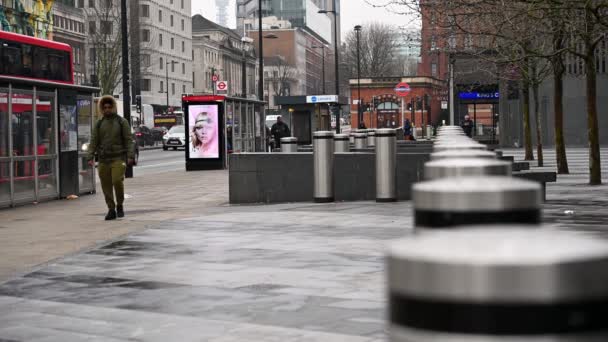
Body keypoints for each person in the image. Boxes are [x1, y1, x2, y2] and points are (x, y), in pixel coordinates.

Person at [87, 96, 135, 221]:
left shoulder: (121, 122)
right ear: (102, 108)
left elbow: (128, 140)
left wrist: (130, 155)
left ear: (113, 107)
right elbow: (94, 140)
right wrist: (90, 155)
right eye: (105, 107)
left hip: (118, 158)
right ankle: (111, 209)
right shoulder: (99, 123)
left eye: (109, 107)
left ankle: (120, 204)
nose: (107, 109)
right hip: (103, 159)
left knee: (117, 181)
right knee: (106, 185)